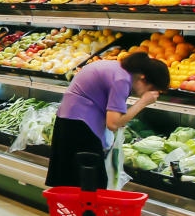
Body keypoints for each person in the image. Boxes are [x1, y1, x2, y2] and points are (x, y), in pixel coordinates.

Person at [46, 51, 170, 187]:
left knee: (69, 181)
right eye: (151, 89)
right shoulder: (122, 80)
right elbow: (113, 123)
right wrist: (142, 103)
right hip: (80, 127)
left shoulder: (116, 69)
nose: (150, 94)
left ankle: (71, 208)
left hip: (69, 120)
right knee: (89, 184)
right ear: (143, 78)